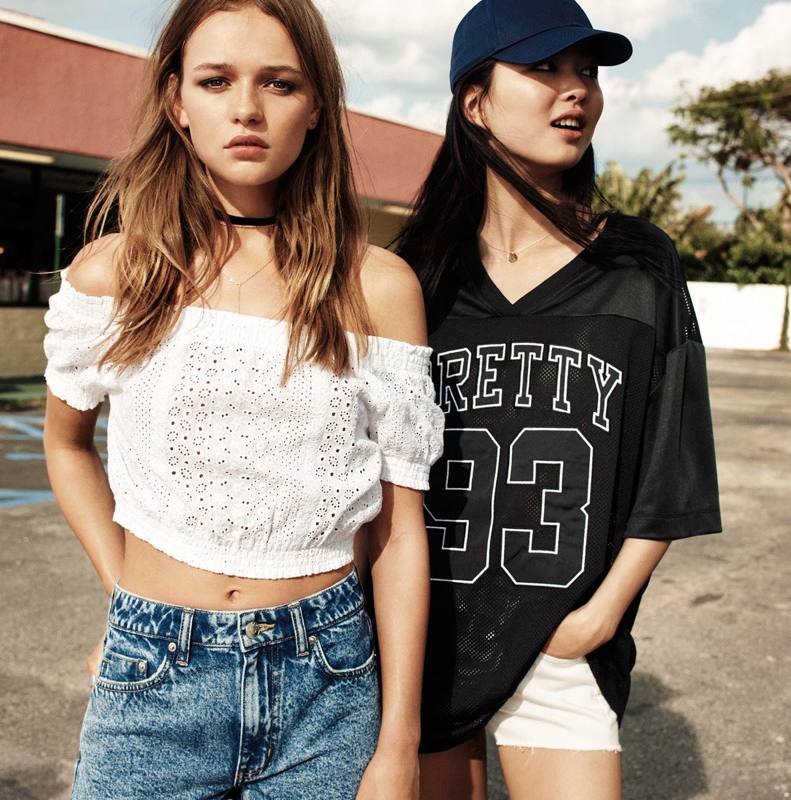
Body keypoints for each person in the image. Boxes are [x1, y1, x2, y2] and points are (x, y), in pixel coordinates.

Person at [42, 1, 444, 798]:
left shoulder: (376, 286)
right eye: (217, 80)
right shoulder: (116, 273)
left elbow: (400, 530)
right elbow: (65, 443)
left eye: (280, 83)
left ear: (318, 107)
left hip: (327, 683)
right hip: (151, 677)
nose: (247, 108)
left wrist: (400, 743)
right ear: (176, 102)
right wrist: (126, 597)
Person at [394, 0, 722, 798]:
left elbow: (672, 462)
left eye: (587, 72)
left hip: (562, 643)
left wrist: (598, 617)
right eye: (544, 68)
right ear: (475, 101)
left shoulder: (638, 265)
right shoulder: (414, 273)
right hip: (421, 637)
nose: (575, 90)